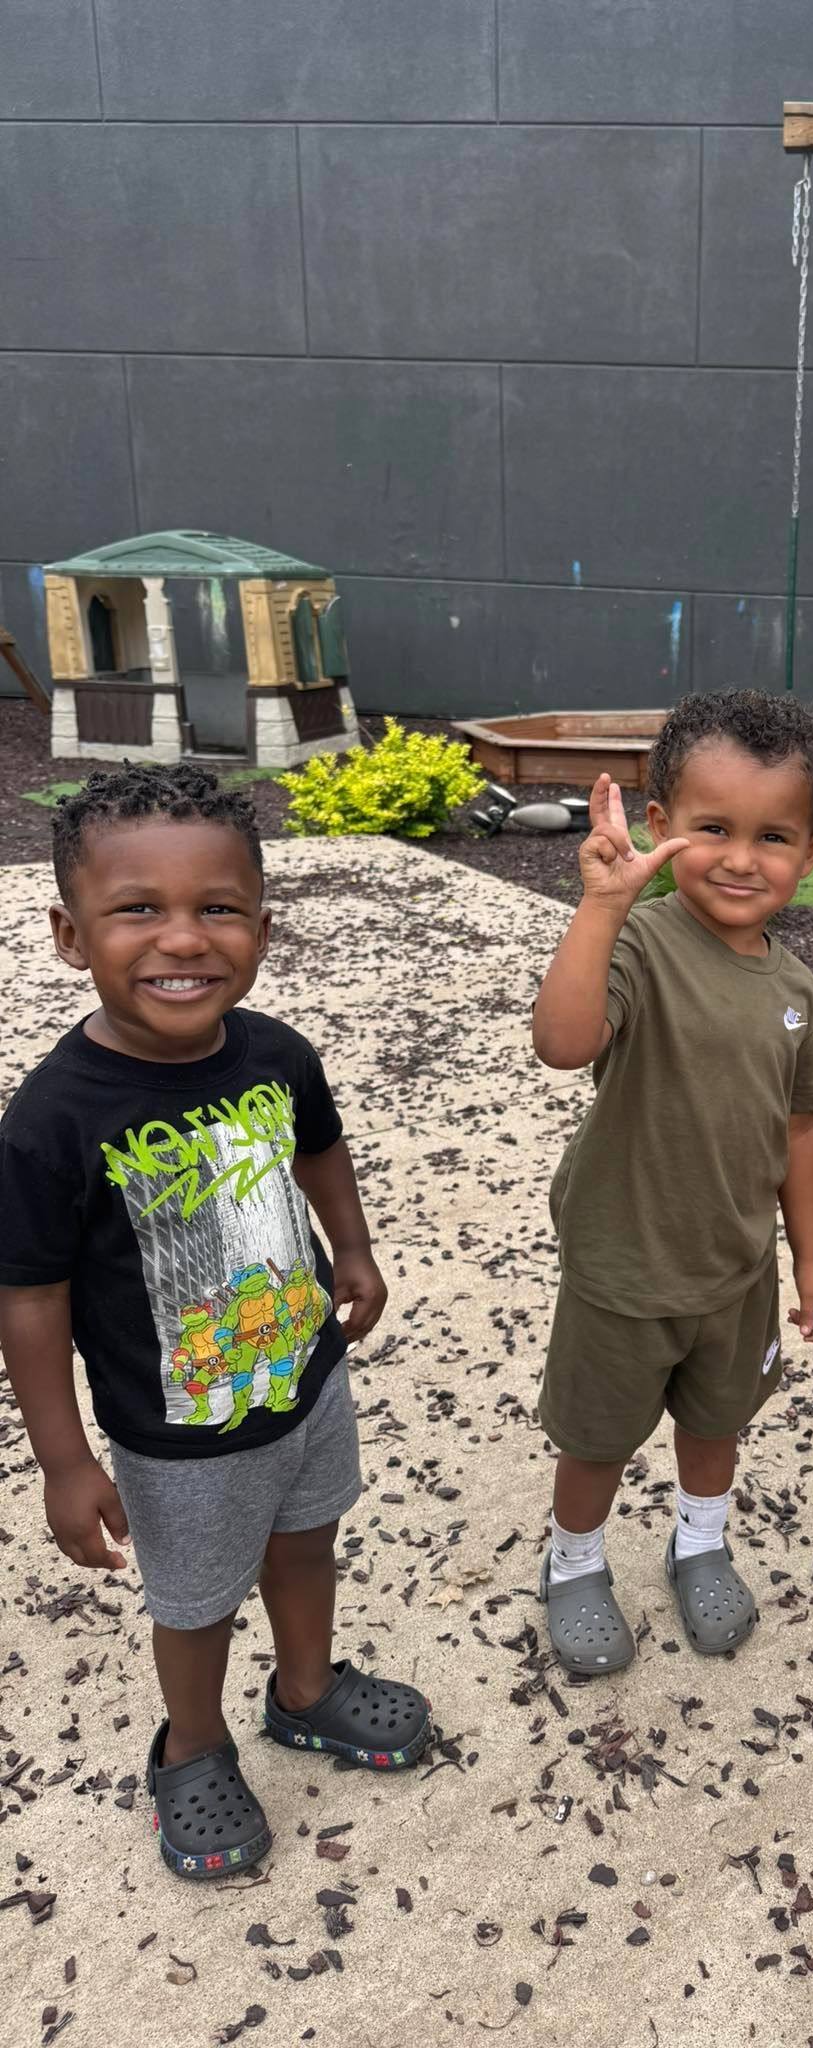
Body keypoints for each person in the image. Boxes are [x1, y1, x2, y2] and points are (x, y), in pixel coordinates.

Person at [0, 765, 430, 1881]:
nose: (182, 938)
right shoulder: (51, 1120)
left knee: (307, 1545)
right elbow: (31, 1294)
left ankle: (307, 1690)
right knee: (194, 1602)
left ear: (262, 926)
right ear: (67, 931)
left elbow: (317, 1146)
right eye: (138, 907)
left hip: (307, 1382)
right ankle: (191, 1744)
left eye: (218, 907)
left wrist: (357, 1246)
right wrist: (61, 1456)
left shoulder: (278, 1054)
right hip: (179, 1435)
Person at [532, 690, 813, 1673]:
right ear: (662, 827)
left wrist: (811, 1258)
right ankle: (574, 1559)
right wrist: (602, 905)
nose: (743, 857)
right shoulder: (638, 943)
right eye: (714, 828)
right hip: (625, 1264)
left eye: (774, 835)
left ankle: (699, 1542)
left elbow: (799, 1130)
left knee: (717, 1423)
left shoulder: (795, 989)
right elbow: (562, 1040)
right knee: (598, 1436)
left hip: (736, 1270)